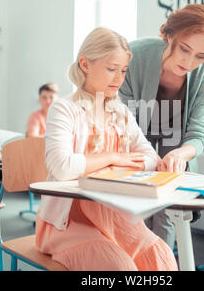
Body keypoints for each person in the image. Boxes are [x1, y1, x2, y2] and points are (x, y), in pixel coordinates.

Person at [35, 27, 178, 271]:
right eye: (111, 69)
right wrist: (114, 157)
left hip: (115, 219)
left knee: (161, 257)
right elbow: (62, 168)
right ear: (85, 64)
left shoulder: (120, 111)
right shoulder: (64, 108)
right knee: (120, 268)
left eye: (123, 71)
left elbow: (151, 158)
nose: (119, 78)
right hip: (68, 223)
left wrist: (107, 164)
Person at [119, 3, 204, 247]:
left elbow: (197, 135)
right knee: (137, 219)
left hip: (174, 149)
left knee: (168, 216)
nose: (189, 62)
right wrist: (146, 156)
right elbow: (123, 122)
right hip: (134, 144)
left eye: (201, 56)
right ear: (169, 36)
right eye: (185, 49)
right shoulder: (133, 57)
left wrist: (180, 153)